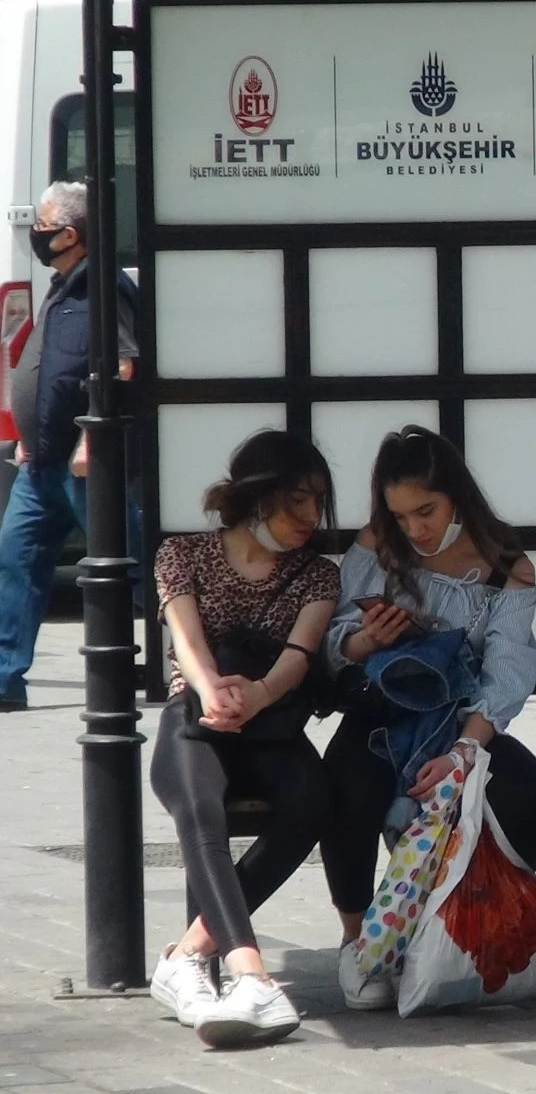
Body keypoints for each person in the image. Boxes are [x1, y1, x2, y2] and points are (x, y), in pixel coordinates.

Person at [319, 425, 536, 1011]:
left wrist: (464, 751)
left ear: (456, 495)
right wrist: (365, 640)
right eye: (400, 516)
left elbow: (508, 669)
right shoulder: (377, 546)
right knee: (345, 788)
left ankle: (444, 924)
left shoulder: (506, 567)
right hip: (381, 714)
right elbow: (333, 636)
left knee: (526, 794)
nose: (416, 528)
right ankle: (358, 941)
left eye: (426, 510)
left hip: (460, 719)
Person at [147, 430, 340, 1047]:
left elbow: (298, 657)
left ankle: (186, 956)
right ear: (255, 498)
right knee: (199, 810)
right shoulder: (182, 553)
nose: (310, 517)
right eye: (294, 501)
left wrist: (253, 696)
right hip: (195, 715)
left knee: (315, 797)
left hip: (272, 723)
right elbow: (186, 639)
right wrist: (211, 692)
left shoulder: (318, 575)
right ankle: (250, 972)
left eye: (317, 501)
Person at [0, 180, 137, 710]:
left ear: (70, 235)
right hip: (40, 467)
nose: (35, 235)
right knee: (15, 559)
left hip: (87, 466)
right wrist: (29, 438)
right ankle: (6, 680)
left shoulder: (105, 287)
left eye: (41, 227)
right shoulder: (60, 286)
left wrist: (90, 441)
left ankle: (191, 663)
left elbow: (126, 367)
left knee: (140, 569)